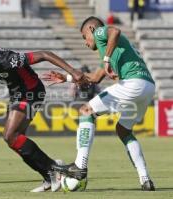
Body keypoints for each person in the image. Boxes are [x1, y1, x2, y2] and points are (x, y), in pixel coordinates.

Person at [43, 16, 155, 191]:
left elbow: (115, 31)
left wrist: (107, 59)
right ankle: (145, 179)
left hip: (133, 83)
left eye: (84, 37)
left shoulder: (101, 33)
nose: (85, 43)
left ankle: (80, 166)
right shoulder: (112, 48)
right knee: (123, 130)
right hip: (147, 87)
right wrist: (66, 78)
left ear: (92, 30)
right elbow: (94, 79)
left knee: (86, 110)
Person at [0, 46, 84, 192]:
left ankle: (54, 167)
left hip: (31, 91)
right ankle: (49, 176)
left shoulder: (7, 60)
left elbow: (44, 54)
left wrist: (72, 71)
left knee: (10, 135)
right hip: (16, 93)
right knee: (15, 142)